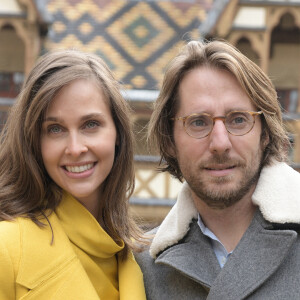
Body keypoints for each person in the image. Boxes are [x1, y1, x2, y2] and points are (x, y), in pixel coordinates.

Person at [135, 40, 300, 299]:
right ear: (170, 140)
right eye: (198, 122)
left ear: (265, 133)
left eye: (238, 119)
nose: (220, 143)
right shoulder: (144, 268)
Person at [0, 50, 146, 299]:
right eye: (55, 129)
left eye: (90, 124)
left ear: (118, 134)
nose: (76, 148)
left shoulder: (141, 260)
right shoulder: (6, 247)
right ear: (34, 142)